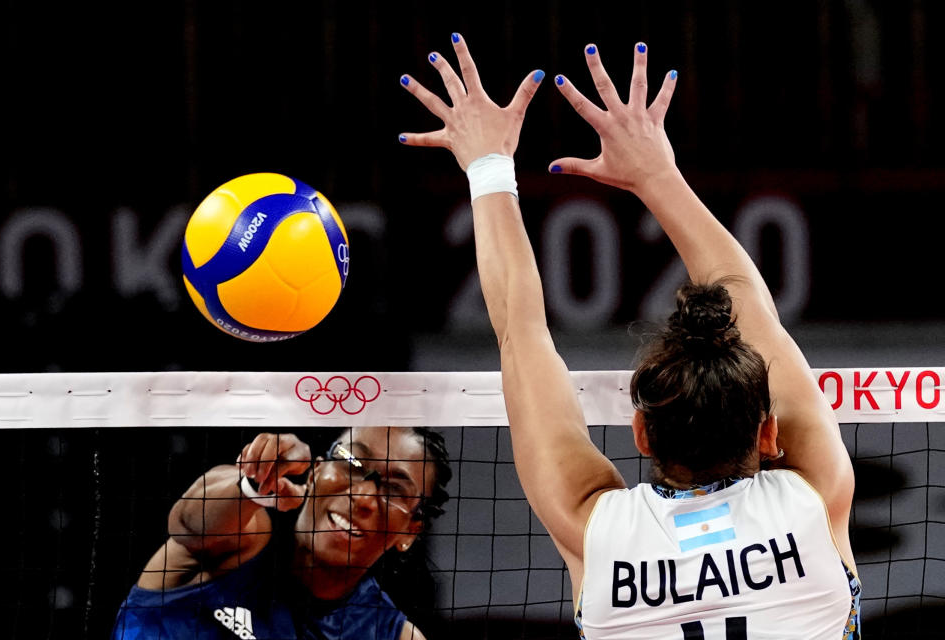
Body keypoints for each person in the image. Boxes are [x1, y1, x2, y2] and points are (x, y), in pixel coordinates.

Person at [400, 34, 859, 638]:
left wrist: (488, 166)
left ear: (641, 433)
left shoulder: (597, 532)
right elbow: (750, 306)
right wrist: (656, 174)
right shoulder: (816, 502)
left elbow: (520, 329)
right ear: (768, 431)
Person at [112, 426, 451, 640]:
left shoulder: (392, 635)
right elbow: (189, 524)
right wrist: (253, 485)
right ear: (317, 471)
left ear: (410, 531)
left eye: (393, 490)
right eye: (351, 463)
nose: (362, 497)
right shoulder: (244, 537)